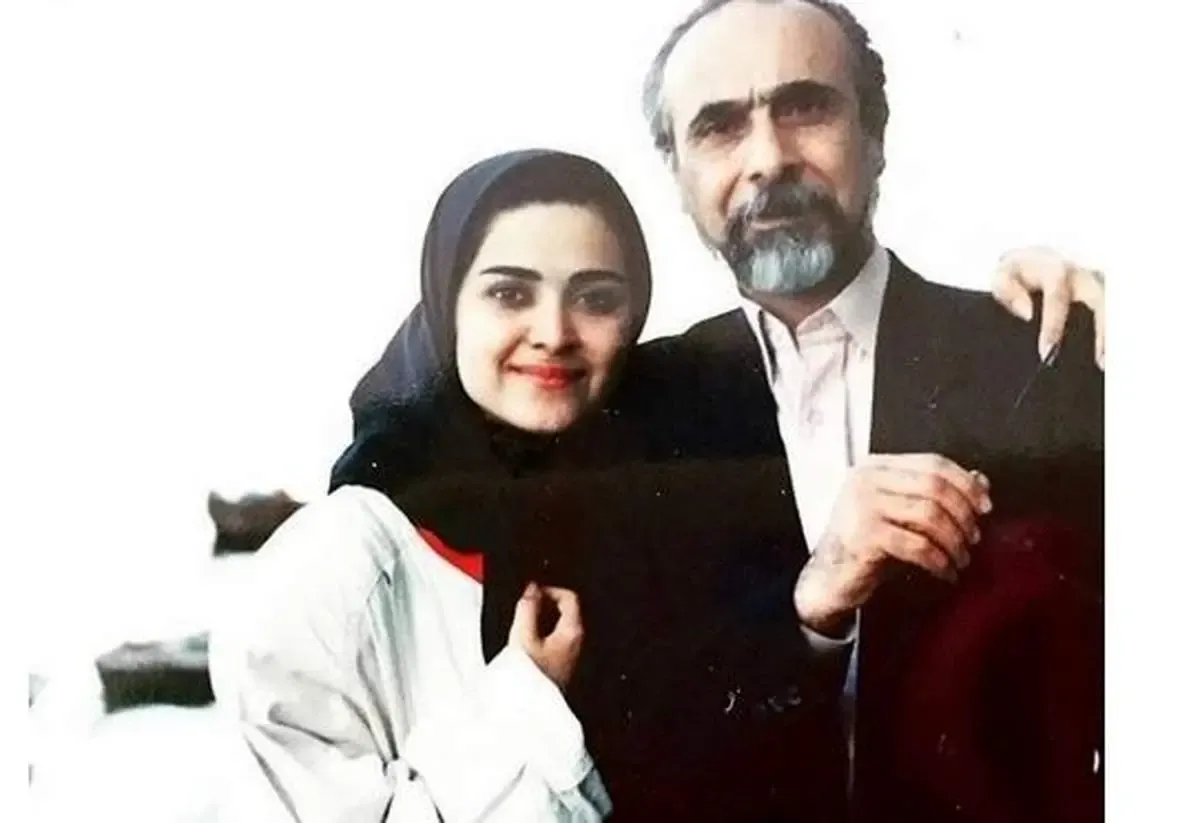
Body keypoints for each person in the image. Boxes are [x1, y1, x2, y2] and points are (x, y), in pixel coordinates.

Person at [209, 149, 657, 822]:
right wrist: (528, 706)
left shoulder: (659, 521)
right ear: (448, 305)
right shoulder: (339, 567)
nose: (554, 333)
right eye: (510, 294)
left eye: (596, 298)